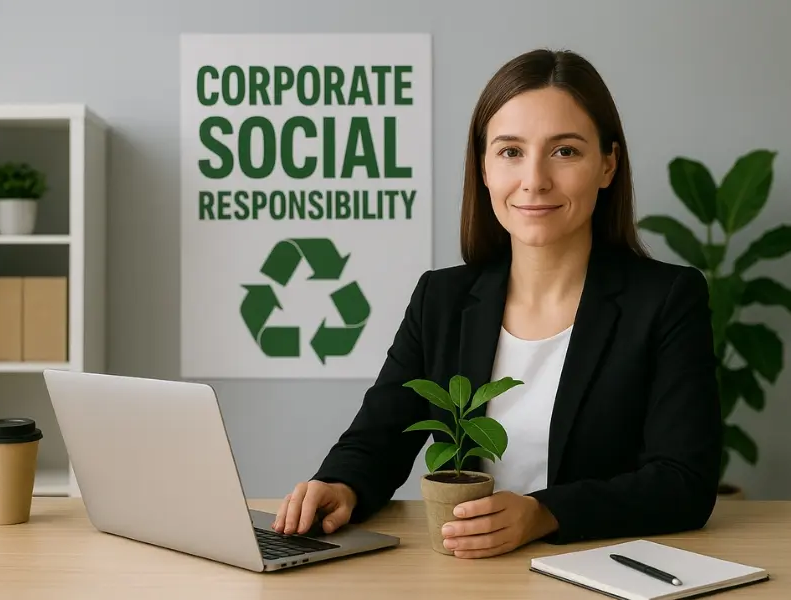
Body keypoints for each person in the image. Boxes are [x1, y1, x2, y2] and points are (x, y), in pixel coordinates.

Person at [272, 47, 722, 558]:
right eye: (510, 151)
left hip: (601, 572)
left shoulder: (666, 299)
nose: (534, 180)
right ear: (484, 168)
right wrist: (341, 485)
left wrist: (546, 512)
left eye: (565, 151)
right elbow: (378, 438)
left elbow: (684, 482)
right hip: (469, 574)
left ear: (608, 164)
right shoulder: (441, 299)